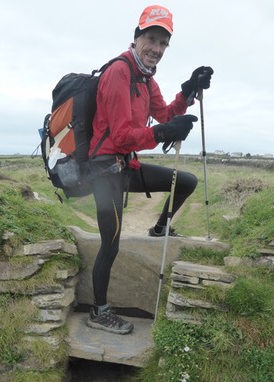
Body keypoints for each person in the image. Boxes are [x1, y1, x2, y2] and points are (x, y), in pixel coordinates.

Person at [86, 4, 213, 335]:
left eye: (163, 43)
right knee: (110, 243)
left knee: (185, 181)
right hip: (104, 171)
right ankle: (98, 312)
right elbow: (121, 135)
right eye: (151, 39)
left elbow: (165, 113)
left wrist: (187, 90)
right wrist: (161, 134)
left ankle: (159, 229)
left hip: (126, 165)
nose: (156, 49)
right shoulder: (119, 73)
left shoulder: (144, 76)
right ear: (137, 36)